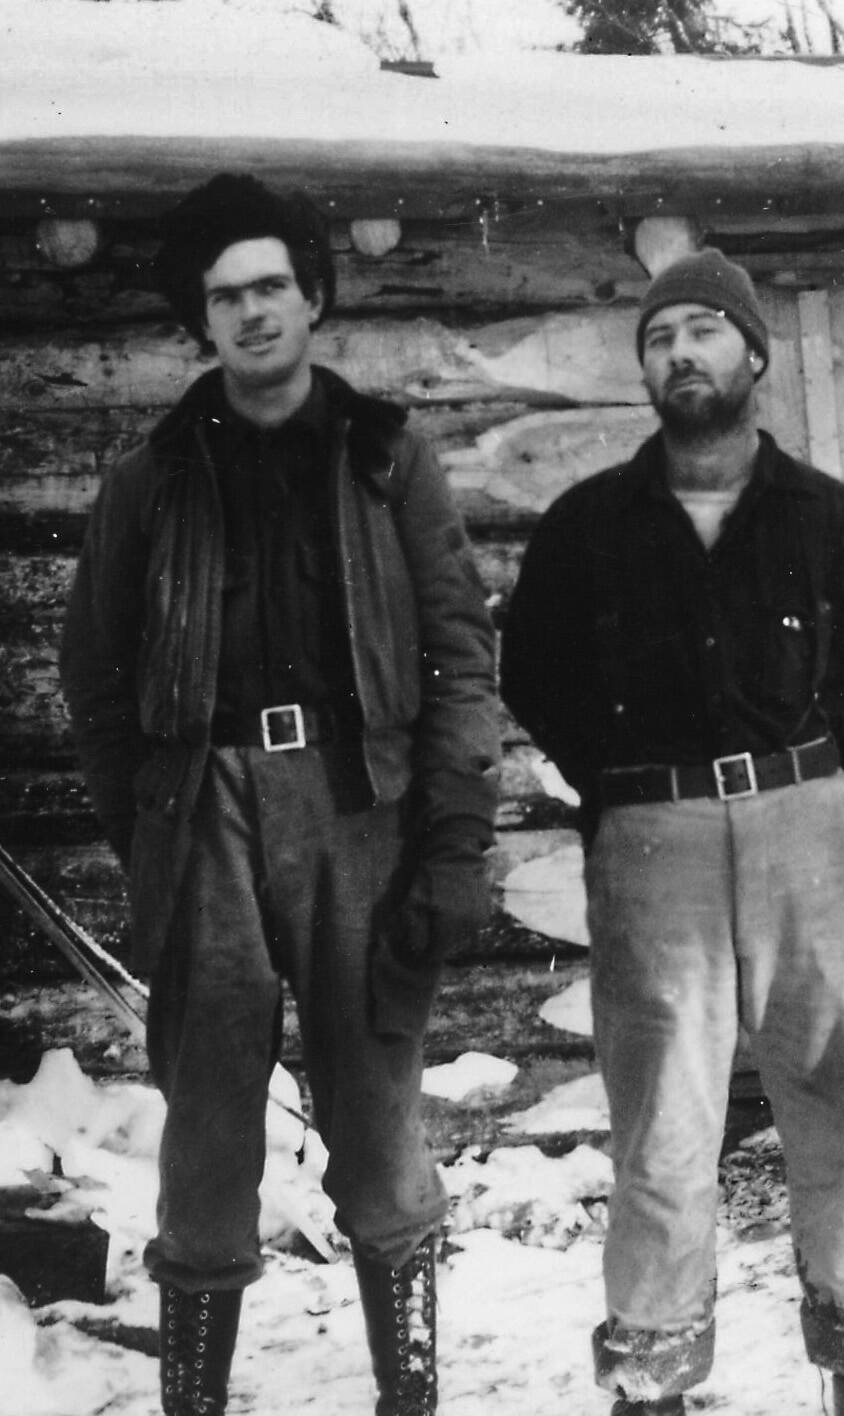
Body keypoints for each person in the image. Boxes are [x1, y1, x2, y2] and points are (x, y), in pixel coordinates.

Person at [59, 174, 500, 1416]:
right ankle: (195, 1401)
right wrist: (145, 824)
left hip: (357, 807)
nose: (250, 313)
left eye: (270, 287)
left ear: (313, 298)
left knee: (375, 1106)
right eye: (223, 296)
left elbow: (458, 649)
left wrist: (455, 828)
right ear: (199, 321)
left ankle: (407, 1395)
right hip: (203, 810)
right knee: (206, 1119)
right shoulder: (152, 476)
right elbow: (91, 670)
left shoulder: (383, 459)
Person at [501, 249, 844, 1416]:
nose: (680, 353)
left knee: (841, 1109)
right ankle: (651, 1376)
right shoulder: (589, 526)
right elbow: (533, 675)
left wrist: (810, 787)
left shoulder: (829, 519)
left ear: (751, 353)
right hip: (655, 850)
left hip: (809, 834)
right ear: (644, 370)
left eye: (702, 330)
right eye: (658, 338)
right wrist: (632, 795)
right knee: (661, 1134)